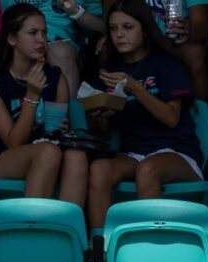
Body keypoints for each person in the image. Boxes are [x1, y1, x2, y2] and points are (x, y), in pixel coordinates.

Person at [86, 0, 201, 228]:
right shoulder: (108, 70)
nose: (119, 35)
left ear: (145, 31)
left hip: (176, 150)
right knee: (99, 169)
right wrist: (100, 115)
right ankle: (101, 251)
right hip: (133, 152)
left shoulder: (166, 63)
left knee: (147, 169)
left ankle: (145, 247)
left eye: (128, 27)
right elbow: (102, 131)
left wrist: (135, 88)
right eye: (113, 28)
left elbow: (171, 118)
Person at [0, 4, 88, 204]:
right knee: (48, 151)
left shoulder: (55, 78)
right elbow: (14, 142)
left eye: (44, 32)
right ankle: (34, 228)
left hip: (46, 149)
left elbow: (53, 133)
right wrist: (32, 96)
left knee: (76, 157)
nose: (42, 40)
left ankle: (66, 230)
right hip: (3, 157)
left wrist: (59, 127)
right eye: (33, 33)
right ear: (12, 39)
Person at [0, 0, 106, 97]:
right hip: (9, 44)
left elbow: (105, 27)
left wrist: (75, 10)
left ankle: (71, 129)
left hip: (56, 44)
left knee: (60, 53)